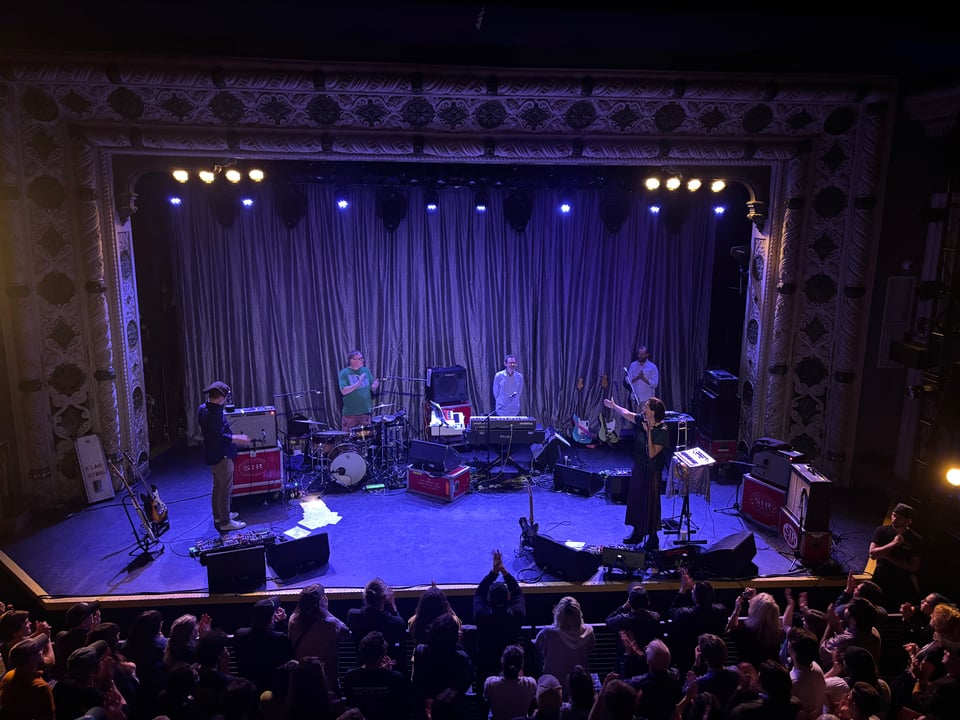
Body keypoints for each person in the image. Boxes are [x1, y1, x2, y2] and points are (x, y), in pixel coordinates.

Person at [603, 395, 668, 549]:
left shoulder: (662, 430)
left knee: (650, 502)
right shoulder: (642, 420)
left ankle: (653, 537)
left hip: (652, 471)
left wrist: (649, 432)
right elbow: (627, 413)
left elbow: (652, 453)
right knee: (636, 498)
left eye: (646, 407)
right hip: (639, 466)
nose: (643, 408)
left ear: (653, 412)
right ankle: (637, 533)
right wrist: (614, 406)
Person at [197, 380, 249, 532]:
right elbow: (218, 437)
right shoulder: (215, 413)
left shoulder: (203, 408)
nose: (225, 400)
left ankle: (219, 516)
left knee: (217, 487)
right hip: (221, 456)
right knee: (225, 488)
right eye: (225, 397)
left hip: (210, 454)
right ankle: (225, 521)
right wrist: (237, 438)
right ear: (220, 397)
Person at [473, 549, 526, 685]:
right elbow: (518, 592)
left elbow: (479, 593)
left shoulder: (481, 615)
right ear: (508, 597)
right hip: (511, 665)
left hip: (486, 664)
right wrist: (503, 571)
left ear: (489, 599)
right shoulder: (516, 614)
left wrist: (494, 573)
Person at [868, 502, 924, 611]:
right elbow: (872, 554)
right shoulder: (882, 530)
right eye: (893, 515)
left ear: (908, 521)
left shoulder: (916, 539)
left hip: (901, 583)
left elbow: (913, 567)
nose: (894, 519)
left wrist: (886, 555)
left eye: (900, 518)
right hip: (880, 577)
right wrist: (893, 544)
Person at [338, 350, 380, 431]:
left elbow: (372, 387)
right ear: (352, 360)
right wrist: (359, 382)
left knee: (366, 441)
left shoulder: (366, 370)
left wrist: (374, 386)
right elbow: (343, 391)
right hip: (350, 415)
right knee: (349, 440)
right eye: (360, 359)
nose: (362, 360)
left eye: (362, 358)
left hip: (365, 414)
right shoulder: (344, 373)